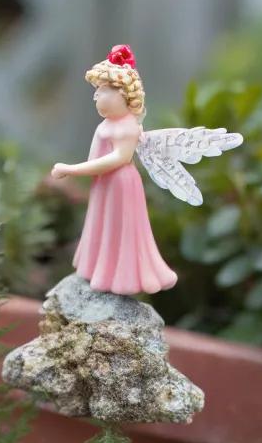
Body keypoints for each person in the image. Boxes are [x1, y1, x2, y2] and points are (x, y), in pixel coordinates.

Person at [51, 44, 177, 296]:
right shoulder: (106, 125)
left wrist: (72, 169)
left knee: (120, 228)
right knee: (102, 224)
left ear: (124, 96)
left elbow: (119, 158)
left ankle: (123, 277)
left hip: (120, 183)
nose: (96, 96)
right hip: (104, 184)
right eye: (97, 90)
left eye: (104, 90)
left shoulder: (127, 127)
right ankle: (99, 268)